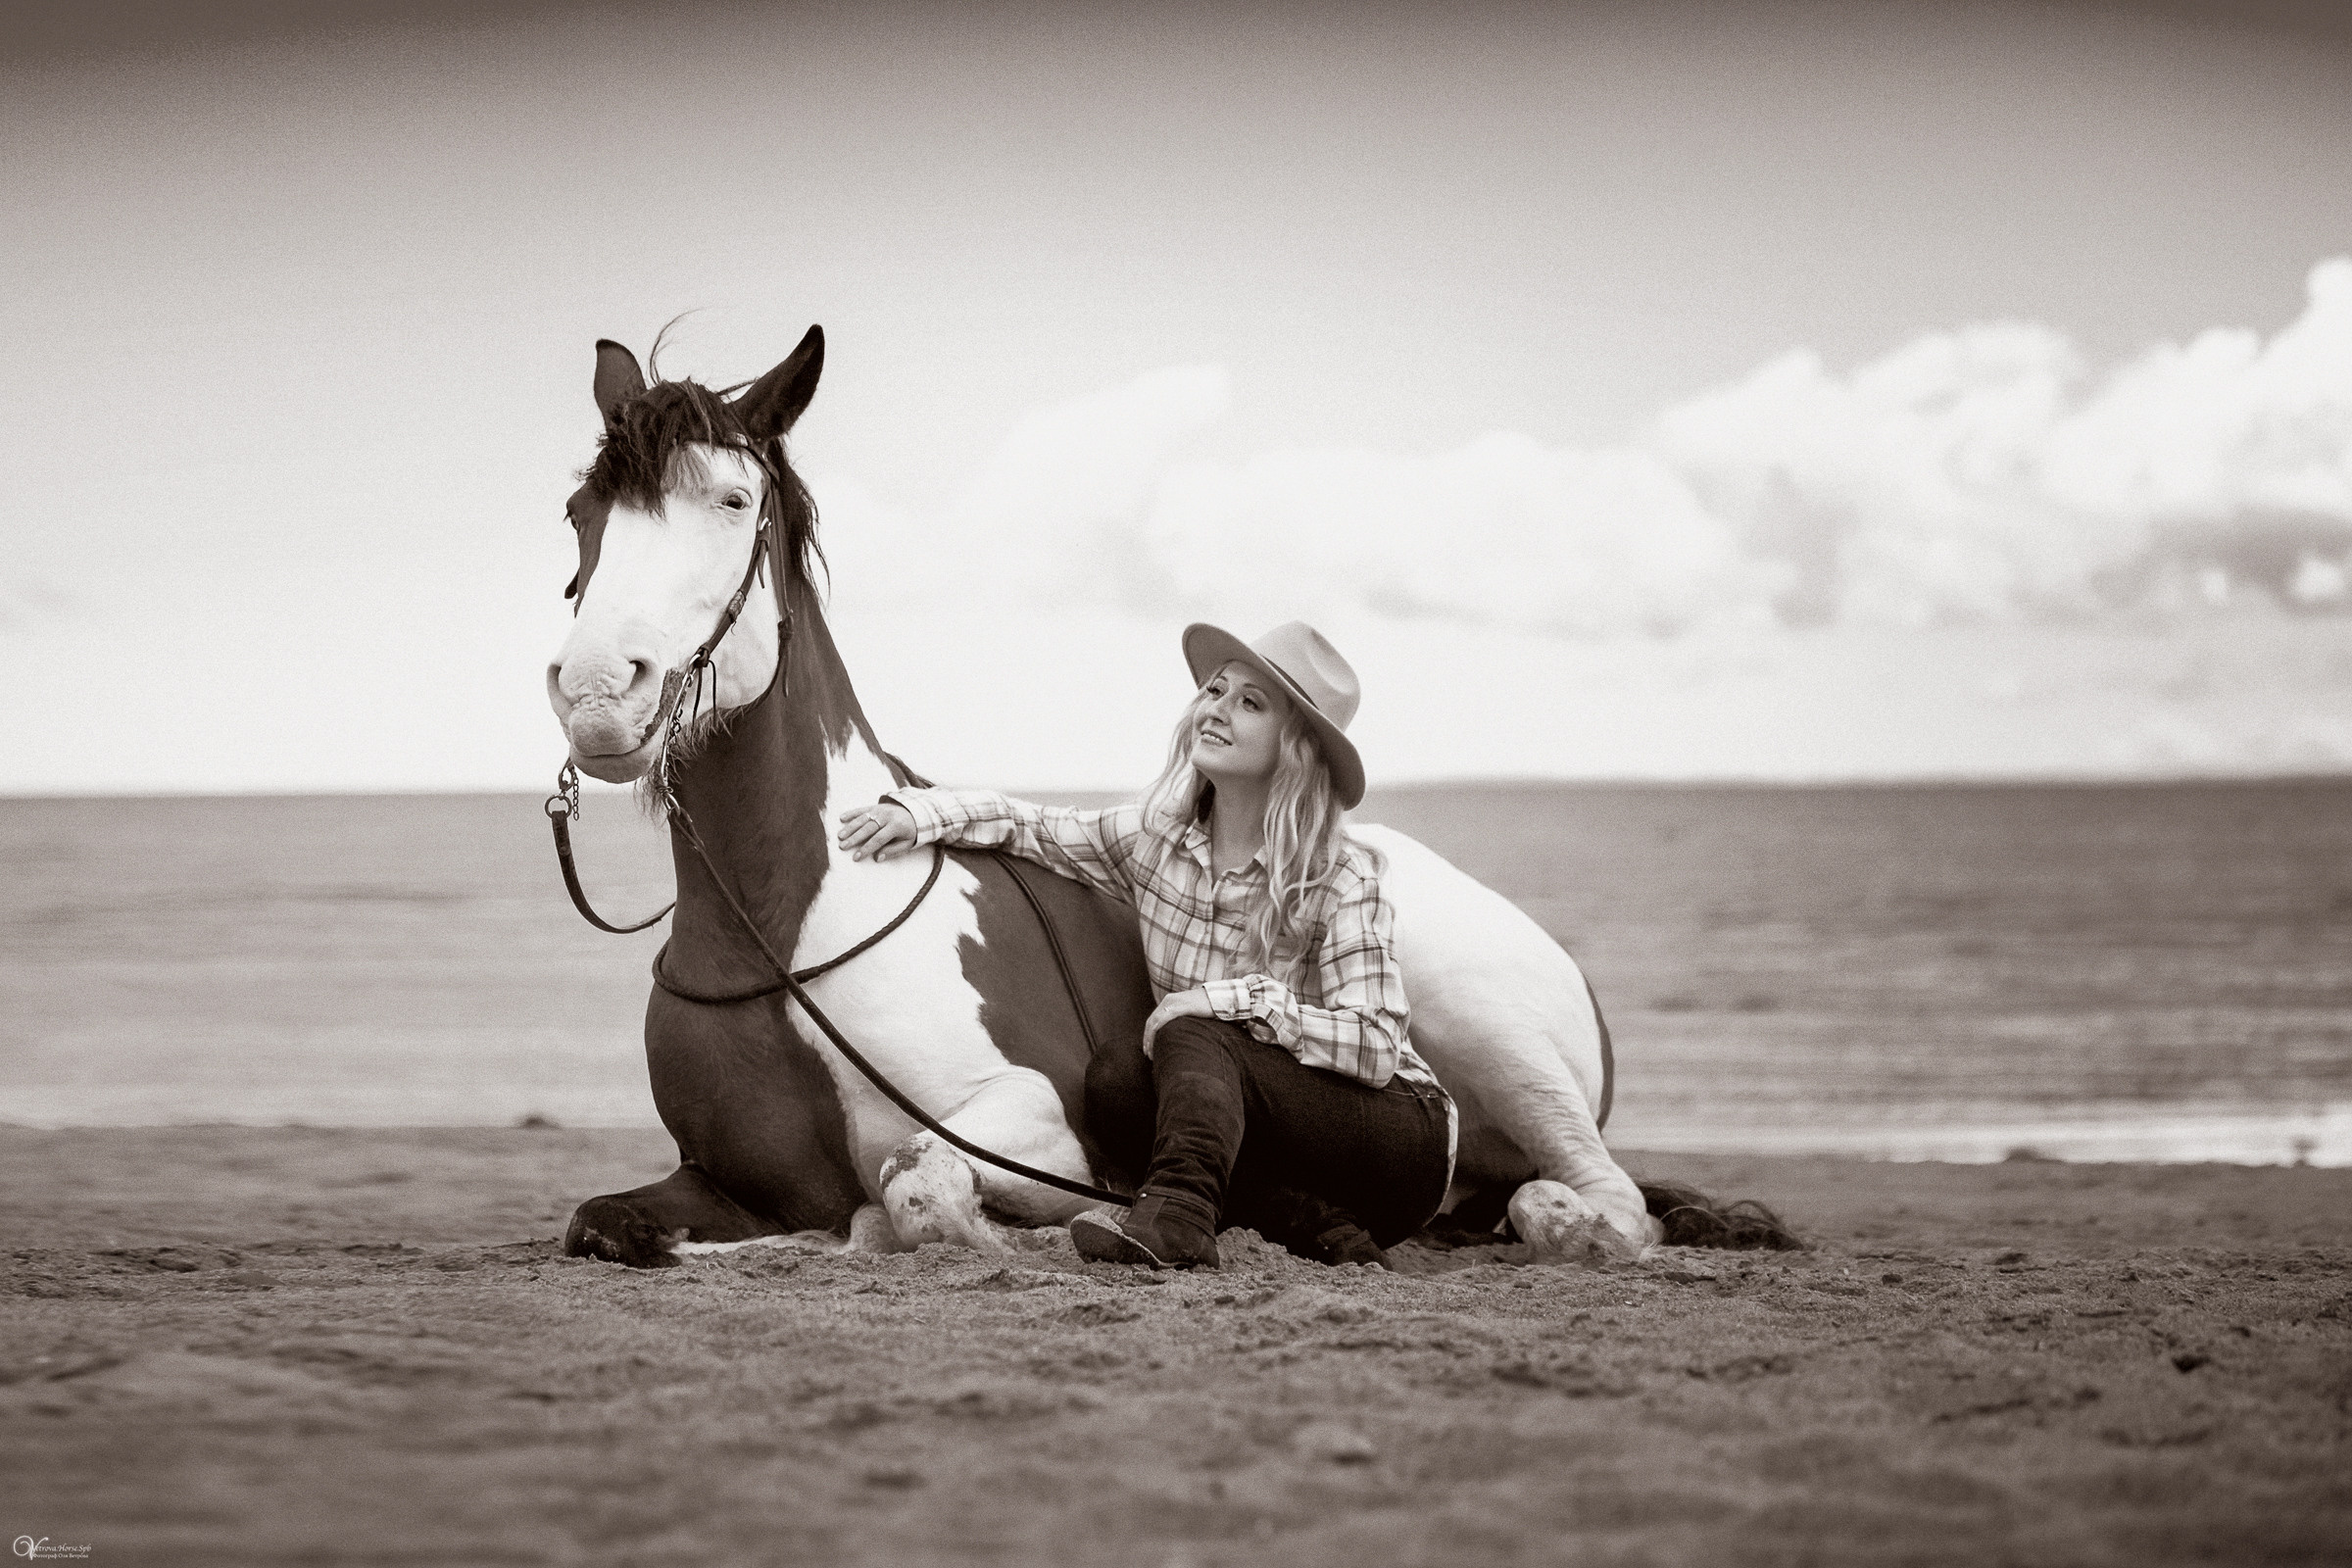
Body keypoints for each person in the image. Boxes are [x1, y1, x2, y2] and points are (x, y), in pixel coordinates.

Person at [834, 621, 1455, 1271]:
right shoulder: (1156, 841)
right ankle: (1316, 1228)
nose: (1217, 708)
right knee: (1118, 1083)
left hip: (1394, 1141)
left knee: (1193, 1029)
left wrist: (1230, 1002)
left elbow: (1376, 1045)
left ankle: (1179, 1223)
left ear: (1293, 747)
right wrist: (919, 815)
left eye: (1250, 703)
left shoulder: (1339, 874)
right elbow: (1031, 826)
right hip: (1273, 1156)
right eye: (1217, 690)